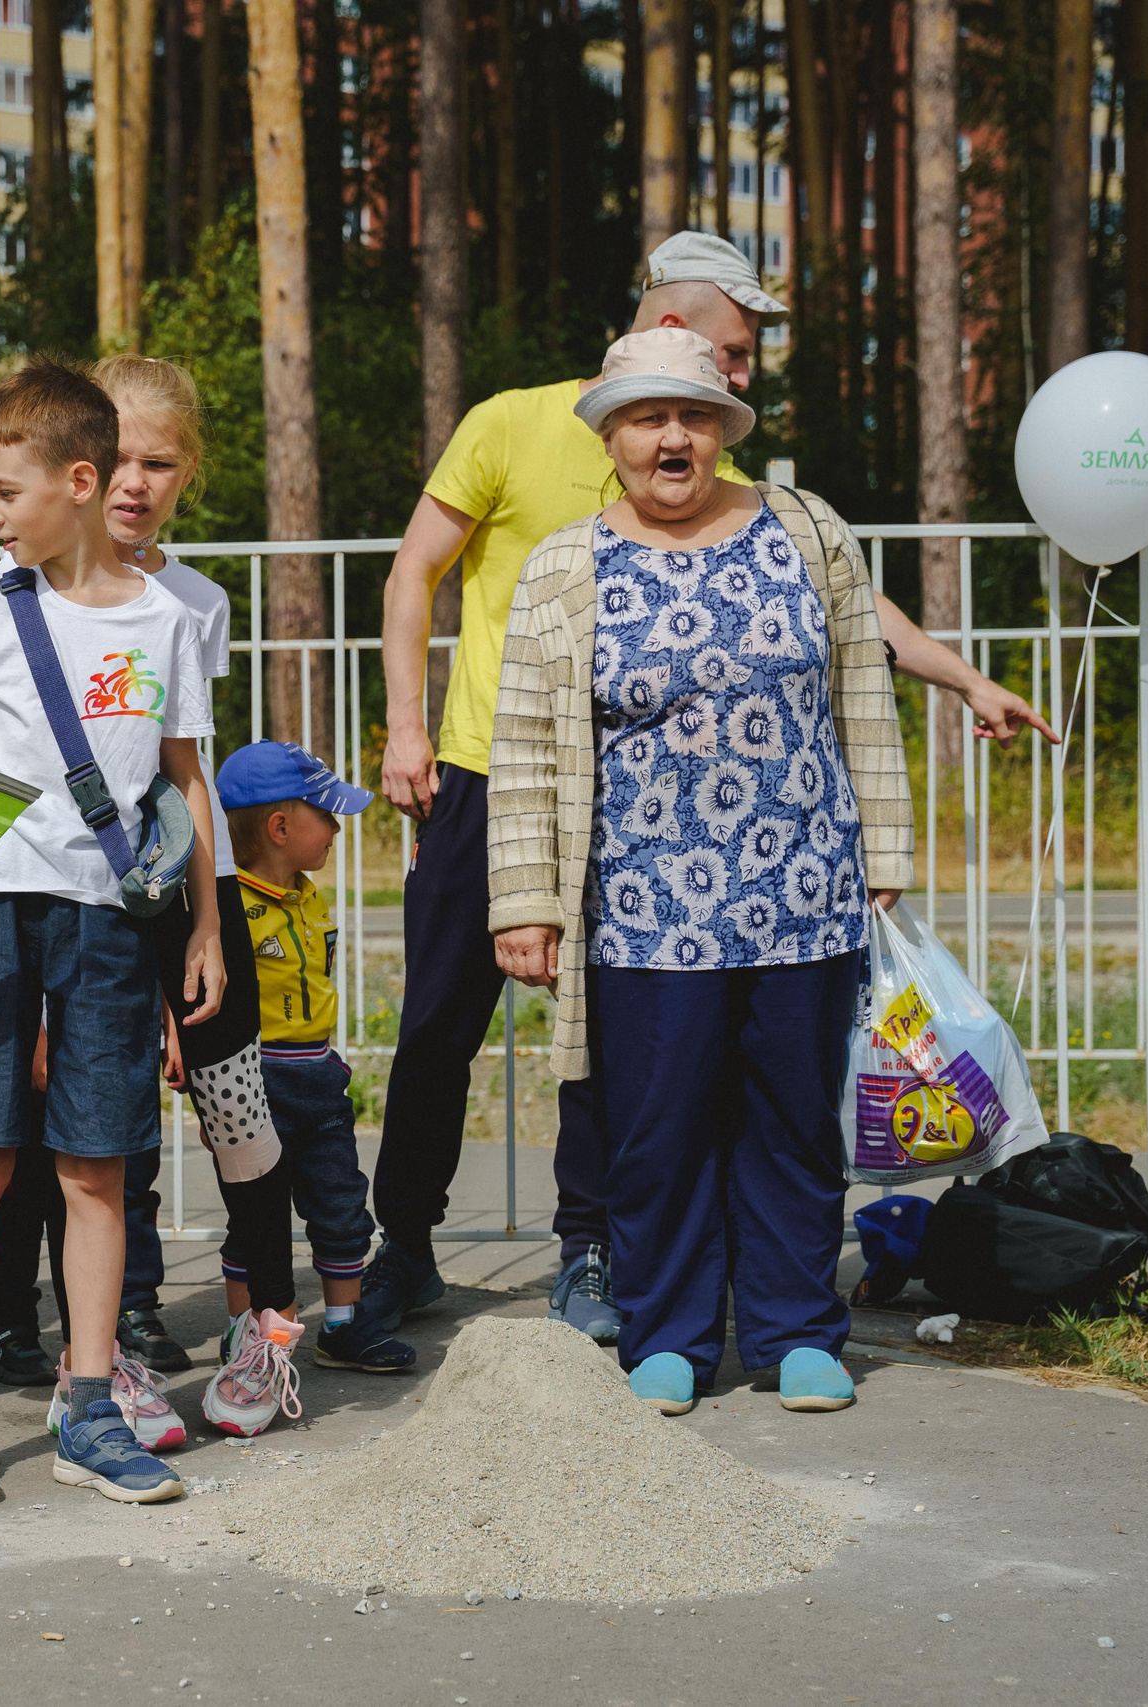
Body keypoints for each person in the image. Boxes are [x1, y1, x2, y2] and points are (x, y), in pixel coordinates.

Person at [371, 231, 1056, 1344]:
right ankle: (403, 1244)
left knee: (628, 1055)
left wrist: (960, 675)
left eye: (723, 383)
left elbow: (839, 617)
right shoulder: (507, 425)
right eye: (731, 353)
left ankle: (597, 1252)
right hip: (501, 767)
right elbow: (415, 568)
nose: (730, 387)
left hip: (686, 818)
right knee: (442, 1026)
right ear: (668, 331)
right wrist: (406, 725)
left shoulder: (727, 465)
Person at [490, 327, 913, 1415]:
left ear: (724, 429)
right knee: (657, 1129)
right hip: (641, 905)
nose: (671, 438)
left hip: (802, 889)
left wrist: (885, 848)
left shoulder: (806, 528)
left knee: (792, 1123)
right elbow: (524, 744)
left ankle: (795, 1332)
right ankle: (668, 1335)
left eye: (692, 416)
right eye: (647, 417)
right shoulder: (564, 565)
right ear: (610, 436)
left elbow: (862, 690)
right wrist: (525, 901)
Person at [0, 359, 221, 1505]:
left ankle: (89, 1406)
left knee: (97, 1169)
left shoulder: (169, 622)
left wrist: (202, 930)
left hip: (110, 924)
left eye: (3, 493)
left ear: (76, 483)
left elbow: (184, 783)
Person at [0, 355, 297, 1427]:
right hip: (61, 896)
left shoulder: (193, 602)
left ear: (187, 473)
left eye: (158, 463)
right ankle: (104, 1353)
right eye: (117, 456)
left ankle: (266, 1332)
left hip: (181, 887)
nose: (133, 481)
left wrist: (205, 925)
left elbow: (182, 769)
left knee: (239, 1114)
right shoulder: (16, 589)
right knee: (88, 1133)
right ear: (77, 463)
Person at [206, 741, 417, 1437]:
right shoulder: (228, 906)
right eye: (325, 816)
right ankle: (247, 1331)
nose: (335, 829)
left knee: (340, 1201)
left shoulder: (307, 893)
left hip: (317, 1073)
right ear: (279, 828)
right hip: (256, 1074)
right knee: (254, 1216)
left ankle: (344, 1324)